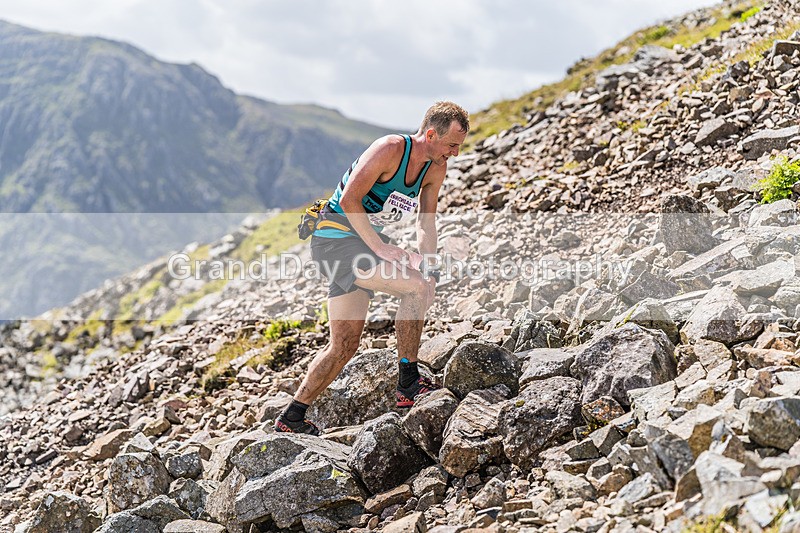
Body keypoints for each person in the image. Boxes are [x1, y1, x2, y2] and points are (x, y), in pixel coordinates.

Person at [275, 101, 470, 435]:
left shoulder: (436, 168)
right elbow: (350, 200)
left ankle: (292, 417)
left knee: (344, 345)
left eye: (458, 147)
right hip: (335, 239)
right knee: (414, 288)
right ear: (431, 133)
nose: (454, 153)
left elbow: (427, 224)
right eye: (451, 144)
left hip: (364, 244)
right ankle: (408, 384)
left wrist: (431, 266)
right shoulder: (390, 149)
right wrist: (381, 248)